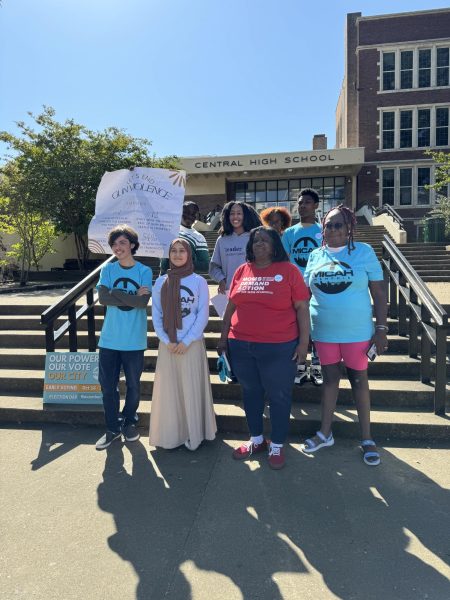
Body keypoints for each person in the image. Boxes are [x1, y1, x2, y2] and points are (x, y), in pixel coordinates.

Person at [302, 205, 388, 466]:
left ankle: (367, 438)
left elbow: (380, 294)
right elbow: (305, 296)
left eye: (338, 225)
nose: (332, 229)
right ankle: (325, 433)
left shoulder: (364, 252)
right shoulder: (315, 255)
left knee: (359, 382)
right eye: (328, 225)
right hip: (324, 331)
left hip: (357, 332)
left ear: (350, 227)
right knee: (329, 381)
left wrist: (381, 329)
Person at [218, 227, 310, 469]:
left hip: (280, 346)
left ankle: (277, 444)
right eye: (255, 240)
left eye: (265, 240)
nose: (259, 244)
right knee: (250, 393)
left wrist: (303, 343)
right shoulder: (241, 270)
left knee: (279, 396)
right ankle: (256, 439)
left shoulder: (289, 271)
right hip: (241, 344)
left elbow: (302, 308)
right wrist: (223, 338)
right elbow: (230, 308)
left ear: (275, 245)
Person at [150, 238, 217, 450]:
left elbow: (202, 315)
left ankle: (193, 434)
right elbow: (156, 315)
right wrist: (166, 340)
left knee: (191, 389)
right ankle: (172, 434)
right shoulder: (161, 282)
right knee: (170, 392)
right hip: (168, 345)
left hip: (192, 344)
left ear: (189, 254)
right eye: (173, 251)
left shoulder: (198, 281)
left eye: (182, 251)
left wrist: (186, 341)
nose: (178, 255)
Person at [95, 225, 152, 450]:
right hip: (109, 339)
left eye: (122, 243)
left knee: (133, 385)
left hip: (134, 339)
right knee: (107, 386)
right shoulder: (107, 270)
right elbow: (103, 299)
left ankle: (129, 422)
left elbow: (142, 303)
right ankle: (112, 427)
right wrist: (128, 296)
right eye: (114, 244)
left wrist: (115, 293)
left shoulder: (144, 271)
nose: (118, 248)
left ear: (132, 245)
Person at [282, 188, 323, 386]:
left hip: (318, 289)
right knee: (297, 328)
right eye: (300, 203)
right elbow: (283, 261)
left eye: (307, 202)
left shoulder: (324, 231)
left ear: (316, 205)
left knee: (316, 327)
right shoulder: (289, 233)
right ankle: (299, 366)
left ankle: (316, 366)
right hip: (295, 290)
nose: (302, 206)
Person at [209, 201, 262, 294]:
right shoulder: (222, 240)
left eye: (239, 213)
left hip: (253, 291)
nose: (235, 217)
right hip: (229, 292)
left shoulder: (256, 238)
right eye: (232, 213)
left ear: (246, 216)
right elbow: (214, 267)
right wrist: (221, 280)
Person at [160, 201, 209, 275]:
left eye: (193, 214)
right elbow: (164, 265)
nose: (189, 216)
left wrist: (182, 262)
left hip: (188, 281)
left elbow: (205, 265)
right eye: (186, 213)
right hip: (168, 279)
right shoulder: (169, 231)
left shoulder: (199, 237)